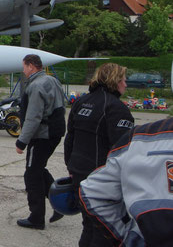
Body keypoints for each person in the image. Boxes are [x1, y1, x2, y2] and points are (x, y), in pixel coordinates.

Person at [64, 63, 134, 246]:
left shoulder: (81, 101)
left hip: (79, 172)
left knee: (89, 223)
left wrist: (70, 167)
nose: (126, 85)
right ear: (115, 81)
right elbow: (123, 150)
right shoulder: (116, 108)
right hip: (102, 177)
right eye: (124, 80)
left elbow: (70, 138)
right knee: (104, 230)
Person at [79, 116, 173, 246]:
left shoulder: (139, 135)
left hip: (145, 238)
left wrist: (128, 237)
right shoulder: (119, 111)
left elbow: (91, 191)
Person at [16, 54, 66, 230]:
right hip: (55, 133)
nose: (23, 70)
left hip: (42, 135)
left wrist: (22, 141)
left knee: (32, 175)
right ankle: (60, 202)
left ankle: (36, 218)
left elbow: (33, 117)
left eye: (24, 67)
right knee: (38, 169)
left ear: (31, 66)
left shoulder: (36, 86)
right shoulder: (51, 81)